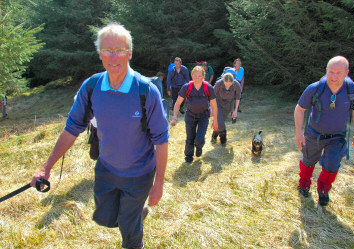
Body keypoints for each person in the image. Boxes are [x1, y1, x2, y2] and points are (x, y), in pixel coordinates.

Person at [31, 23, 169, 249]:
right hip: (107, 168)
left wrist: (159, 182)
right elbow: (72, 128)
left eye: (119, 49)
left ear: (129, 53)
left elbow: (161, 140)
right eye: (107, 50)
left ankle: (133, 233)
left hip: (139, 171)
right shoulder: (92, 87)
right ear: (99, 54)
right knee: (108, 215)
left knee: (128, 228)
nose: (113, 56)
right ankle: (134, 213)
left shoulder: (146, 91)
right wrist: (46, 167)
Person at [294, 56, 354, 206]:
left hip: (337, 136)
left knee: (332, 165)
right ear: (326, 71)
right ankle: (304, 184)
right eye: (331, 72)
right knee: (308, 160)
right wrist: (299, 133)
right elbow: (300, 109)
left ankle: (323, 189)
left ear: (346, 72)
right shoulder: (315, 88)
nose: (334, 76)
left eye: (339, 73)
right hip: (314, 134)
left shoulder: (353, 90)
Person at [171, 66, 218, 163]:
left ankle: (199, 146)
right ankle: (188, 156)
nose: (197, 78)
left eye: (199, 76)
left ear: (203, 76)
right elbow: (177, 103)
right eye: (195, 76)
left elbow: (214, 105)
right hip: (190, 115)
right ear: (192, 76)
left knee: (199, 139)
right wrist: (174, 117)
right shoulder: (186, 87)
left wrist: (215, 121)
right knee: (190, 137)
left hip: (204, 116)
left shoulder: (208, 88)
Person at [211, 73, 241, 144]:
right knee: (221, 123)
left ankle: (214, 136)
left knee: (220, 122)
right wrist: (211, 108)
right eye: (226, 84)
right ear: (223, 81)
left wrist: (235, 110)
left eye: (229, 84)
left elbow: (238, 97)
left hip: (228, 105)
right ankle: (223, 140)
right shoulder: (219, 83)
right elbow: (211, 95)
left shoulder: (236, 84)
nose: (227, 85)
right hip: (218, 103)